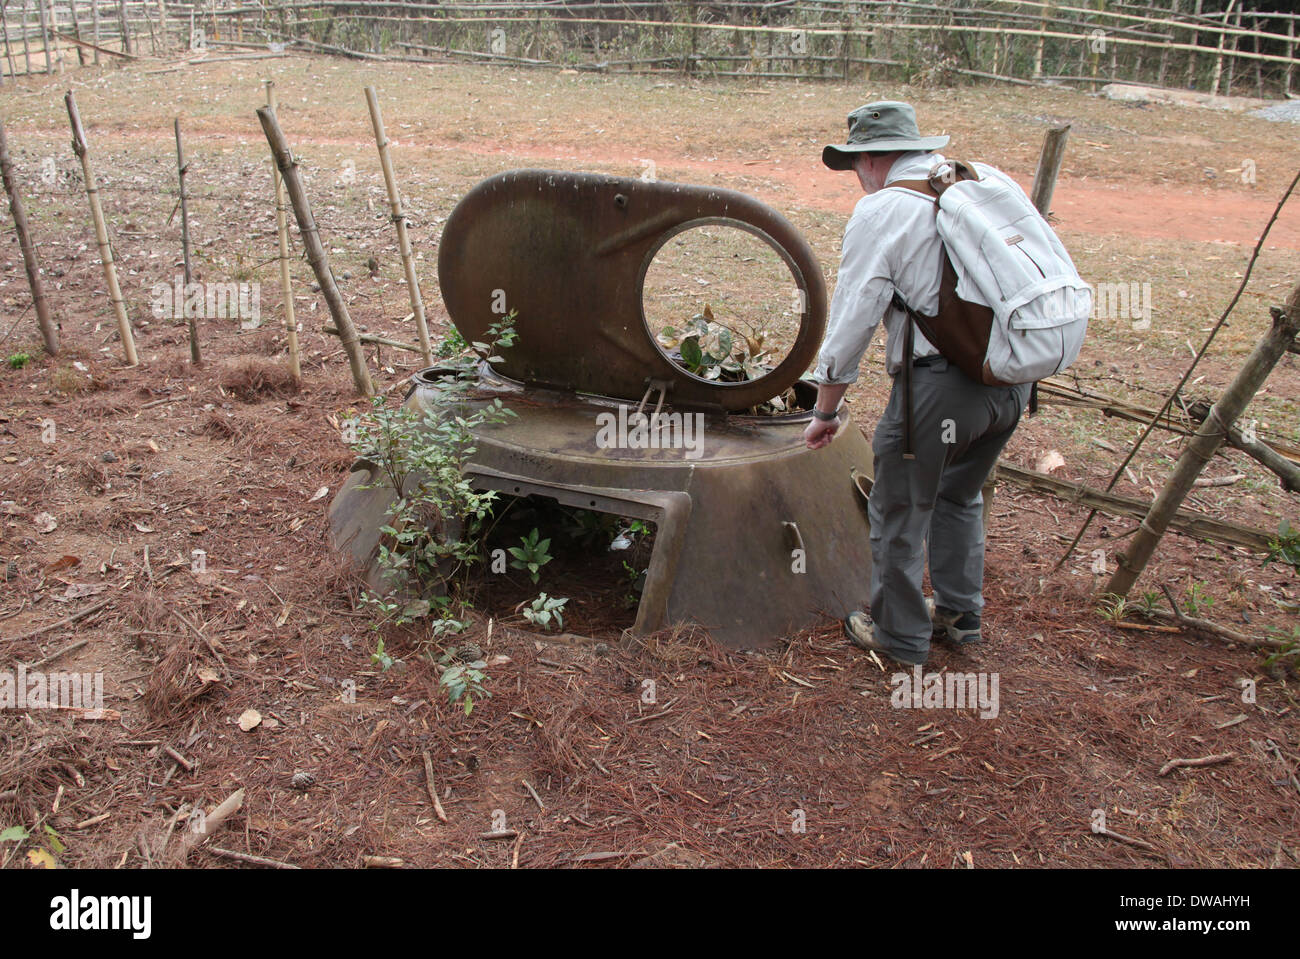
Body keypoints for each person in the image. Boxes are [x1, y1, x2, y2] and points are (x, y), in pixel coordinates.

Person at [803, 101, 1032, 667]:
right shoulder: (981, 183)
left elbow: (854, 317)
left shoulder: (884, 209)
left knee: (899, 507)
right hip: (1010, 382)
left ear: (874, 159)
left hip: (939, 389)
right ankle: (959, 616)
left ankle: (899, 637)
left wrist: (826, 408)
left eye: (856, 164)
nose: (858, 178)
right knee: (959, 495)